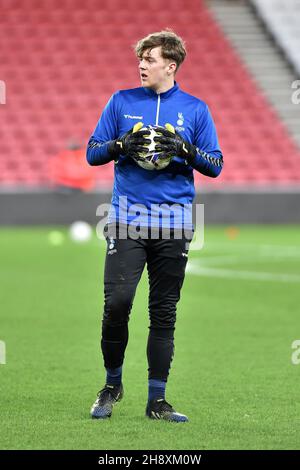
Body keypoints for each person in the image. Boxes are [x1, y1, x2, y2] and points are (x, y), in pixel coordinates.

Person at [86, 29, 223, 422]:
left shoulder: (196, 109)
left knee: (164, 313)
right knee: (117, 304)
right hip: (126, 220)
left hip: (174, 224)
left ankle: (157, 401)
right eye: (140, 59)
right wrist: (118, 147)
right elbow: (93, 152)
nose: (142, 65)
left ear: (171, 65)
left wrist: (185, 149)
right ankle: (112, 386)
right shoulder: (121, 100)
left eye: (150, 59)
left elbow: (215, 165)